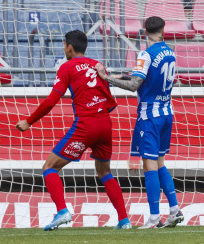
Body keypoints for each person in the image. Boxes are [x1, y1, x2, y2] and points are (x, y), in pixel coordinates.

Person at [15, 31, 130, 231]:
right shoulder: (97, 65)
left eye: (64, 45)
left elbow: (51, 101)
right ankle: (124, 220)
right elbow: (109, 101)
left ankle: (62, 211)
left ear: (69, 47)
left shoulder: (66, 67)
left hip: (86, 125)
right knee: (104, 172)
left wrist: (28, 121)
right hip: (105, 123)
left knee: (49, 167)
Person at [96, 17, 184, 229]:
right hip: (167, 112)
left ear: (144, 32)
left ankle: (154, 217)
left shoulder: (145, 54)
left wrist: (106, 79)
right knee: (161, 162)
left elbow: (135, 84)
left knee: (149, 165)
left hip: (149, 116)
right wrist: (118, 74)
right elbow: (143, 75)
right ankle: (174, 209)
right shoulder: (170, 52)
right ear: (163, 31)